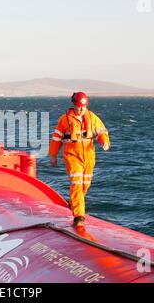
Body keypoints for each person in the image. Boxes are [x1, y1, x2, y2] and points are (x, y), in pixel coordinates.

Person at [49, 92, 110, 228]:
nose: (81, 109)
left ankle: (74, 202)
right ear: (74, 105)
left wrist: (104, 141)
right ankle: (79, 216)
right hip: (72, 155)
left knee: (85, 184)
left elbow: (102, 132)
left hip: (88, 156)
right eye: (78, 106)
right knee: (77, 182)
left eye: (83, 107)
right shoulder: (64, 119)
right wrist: (53, 155)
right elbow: (57, 138)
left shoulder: (92, 118)